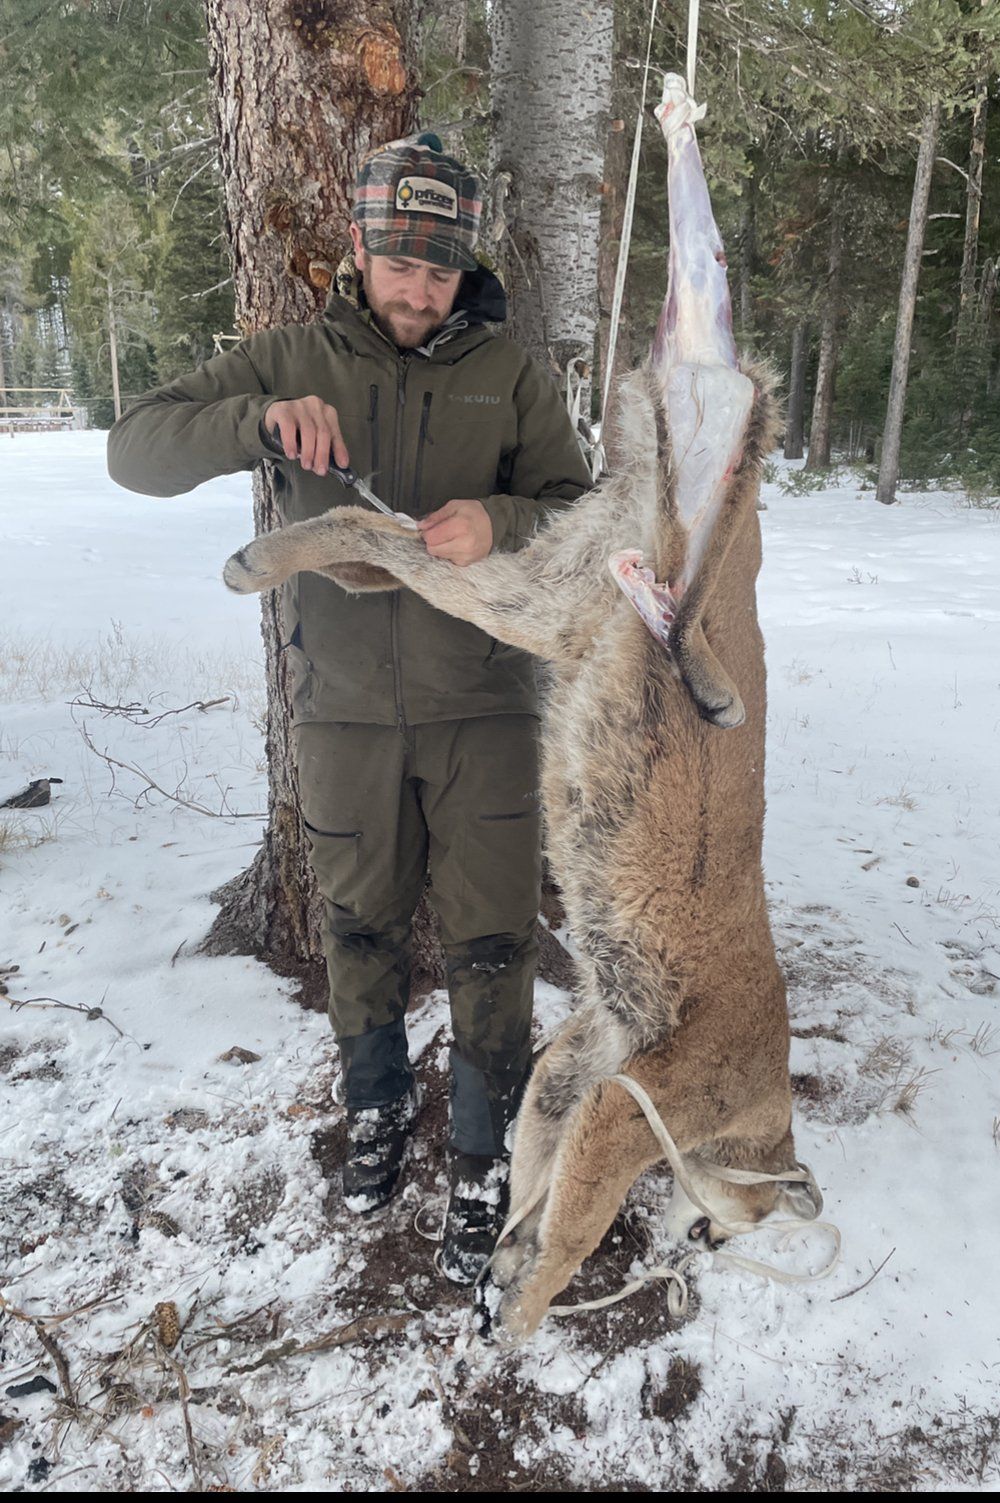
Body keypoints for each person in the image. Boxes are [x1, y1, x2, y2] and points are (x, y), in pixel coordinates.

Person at [107, 132, 592, 1284]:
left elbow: (579, 513)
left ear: (465, 267)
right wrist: (259, 423)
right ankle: (374, 1106)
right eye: (400, 264)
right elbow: (133, 451)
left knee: (492, 939)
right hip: (341, 715)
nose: (419, 291)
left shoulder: (509, 374)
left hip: (485, 711)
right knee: (359, 926)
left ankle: (486, 1150)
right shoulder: (290, 358)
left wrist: (500, 522)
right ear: (360, 252)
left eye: (441, 270)